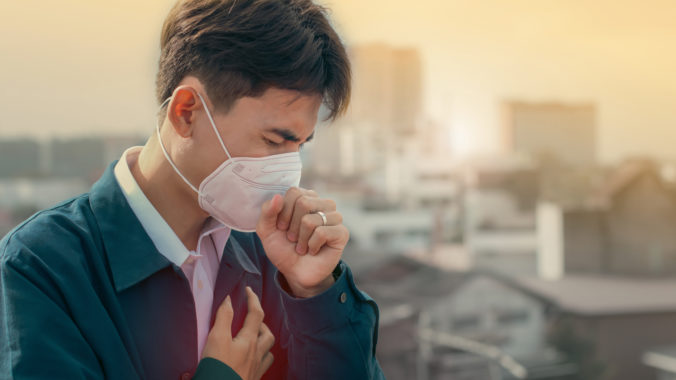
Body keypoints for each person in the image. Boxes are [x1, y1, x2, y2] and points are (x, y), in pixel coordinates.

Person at [0, 0, 385, 379]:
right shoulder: (42, 267)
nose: (287, 170)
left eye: (299, 145)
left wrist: (315, 293)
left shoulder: (275, 259)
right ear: (186, 111)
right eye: (273, 141)